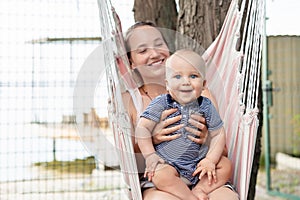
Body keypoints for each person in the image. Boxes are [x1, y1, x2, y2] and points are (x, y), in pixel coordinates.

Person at [122, 21, 239, 200]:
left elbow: (222, 147)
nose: (154, 53)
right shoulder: (130, 101)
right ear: (131, 62)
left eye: (158, 44)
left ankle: (198, 192)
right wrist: (151, 140)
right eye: (142, 50)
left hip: (202, 173)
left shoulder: (203, 96)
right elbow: (129, 162)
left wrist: (206, 138)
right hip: (164, 178)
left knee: (226, 186)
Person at [136, 49, 230, 200]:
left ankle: (200, 189)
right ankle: (189, 197)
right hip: (170, 165)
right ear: (167, 84)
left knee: (225, 165)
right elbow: (142, 128)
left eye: (193, 76)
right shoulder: (161, 103)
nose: (185, 82)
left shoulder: (205, 105)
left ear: (204, 84)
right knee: (159, 174)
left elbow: (218, 133)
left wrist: (210, 160)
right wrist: (150, 156)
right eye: (177, 76)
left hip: (199, 165)